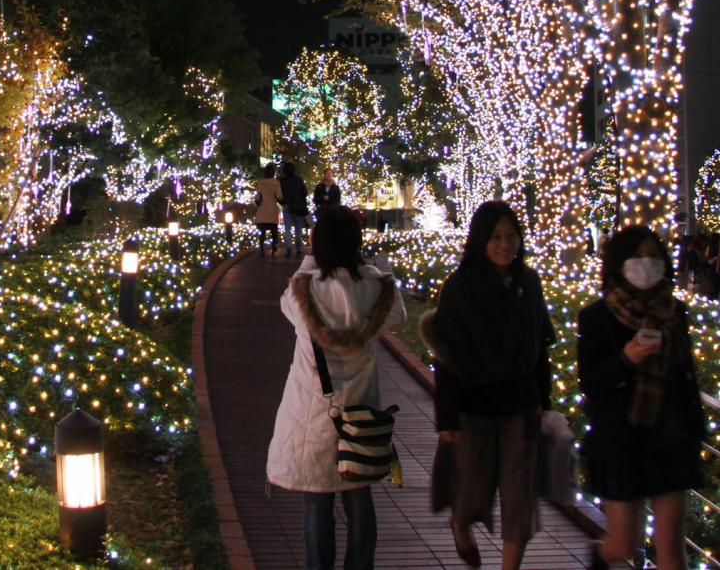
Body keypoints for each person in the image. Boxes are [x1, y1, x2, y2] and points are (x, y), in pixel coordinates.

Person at [267, 205, 404, 570]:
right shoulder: (375, 286)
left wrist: (309, 261)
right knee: (360, 499)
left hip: (314, 412)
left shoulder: (307, 289)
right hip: (361, 411)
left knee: (317, 502)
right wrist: (384, 268)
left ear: (318, 244)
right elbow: (398, 314)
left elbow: (286, 303)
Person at [427, 200, 555, 570]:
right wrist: (447, 419)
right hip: (474, 405)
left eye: (511, 235)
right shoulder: (461, 286)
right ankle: (460, 525)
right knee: (471, 491)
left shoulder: (528, 282)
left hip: (521, 404)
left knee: (519, 499)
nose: (505, 244)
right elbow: (445, 356)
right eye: (496, 236)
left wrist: (545, 404)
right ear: (480, 240)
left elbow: (540, 348)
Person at [578, 225, 705, 570]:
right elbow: (591, 382)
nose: (646, 264)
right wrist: (626, 358)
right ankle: (600, 556)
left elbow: (685, 375)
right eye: (637, 257)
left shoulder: (674, 312)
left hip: (671, 438)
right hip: (622, 443)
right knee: (624, 544)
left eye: (653, 257)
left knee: (671, 551)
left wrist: (695, 428)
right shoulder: (597, 317)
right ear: (619, 264)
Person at [280, 161, 310, 257]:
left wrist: (283, 202)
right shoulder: (298, 180)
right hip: (298, 206)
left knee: (287, 228)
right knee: (298, 228)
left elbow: (280, 195)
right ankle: (299, 249)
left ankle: (288, 248)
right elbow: (305, 192)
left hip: (287, 205)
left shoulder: (282, 181)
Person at [254, 162, 283, 257]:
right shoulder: (276, 183)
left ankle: (262, 247)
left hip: (262, 208)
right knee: (274, 229)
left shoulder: (261, 182)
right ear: (273, 172)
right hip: (272, 208)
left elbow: (257, 197)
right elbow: (279, 196)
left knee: (262, 230)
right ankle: (274, 247)